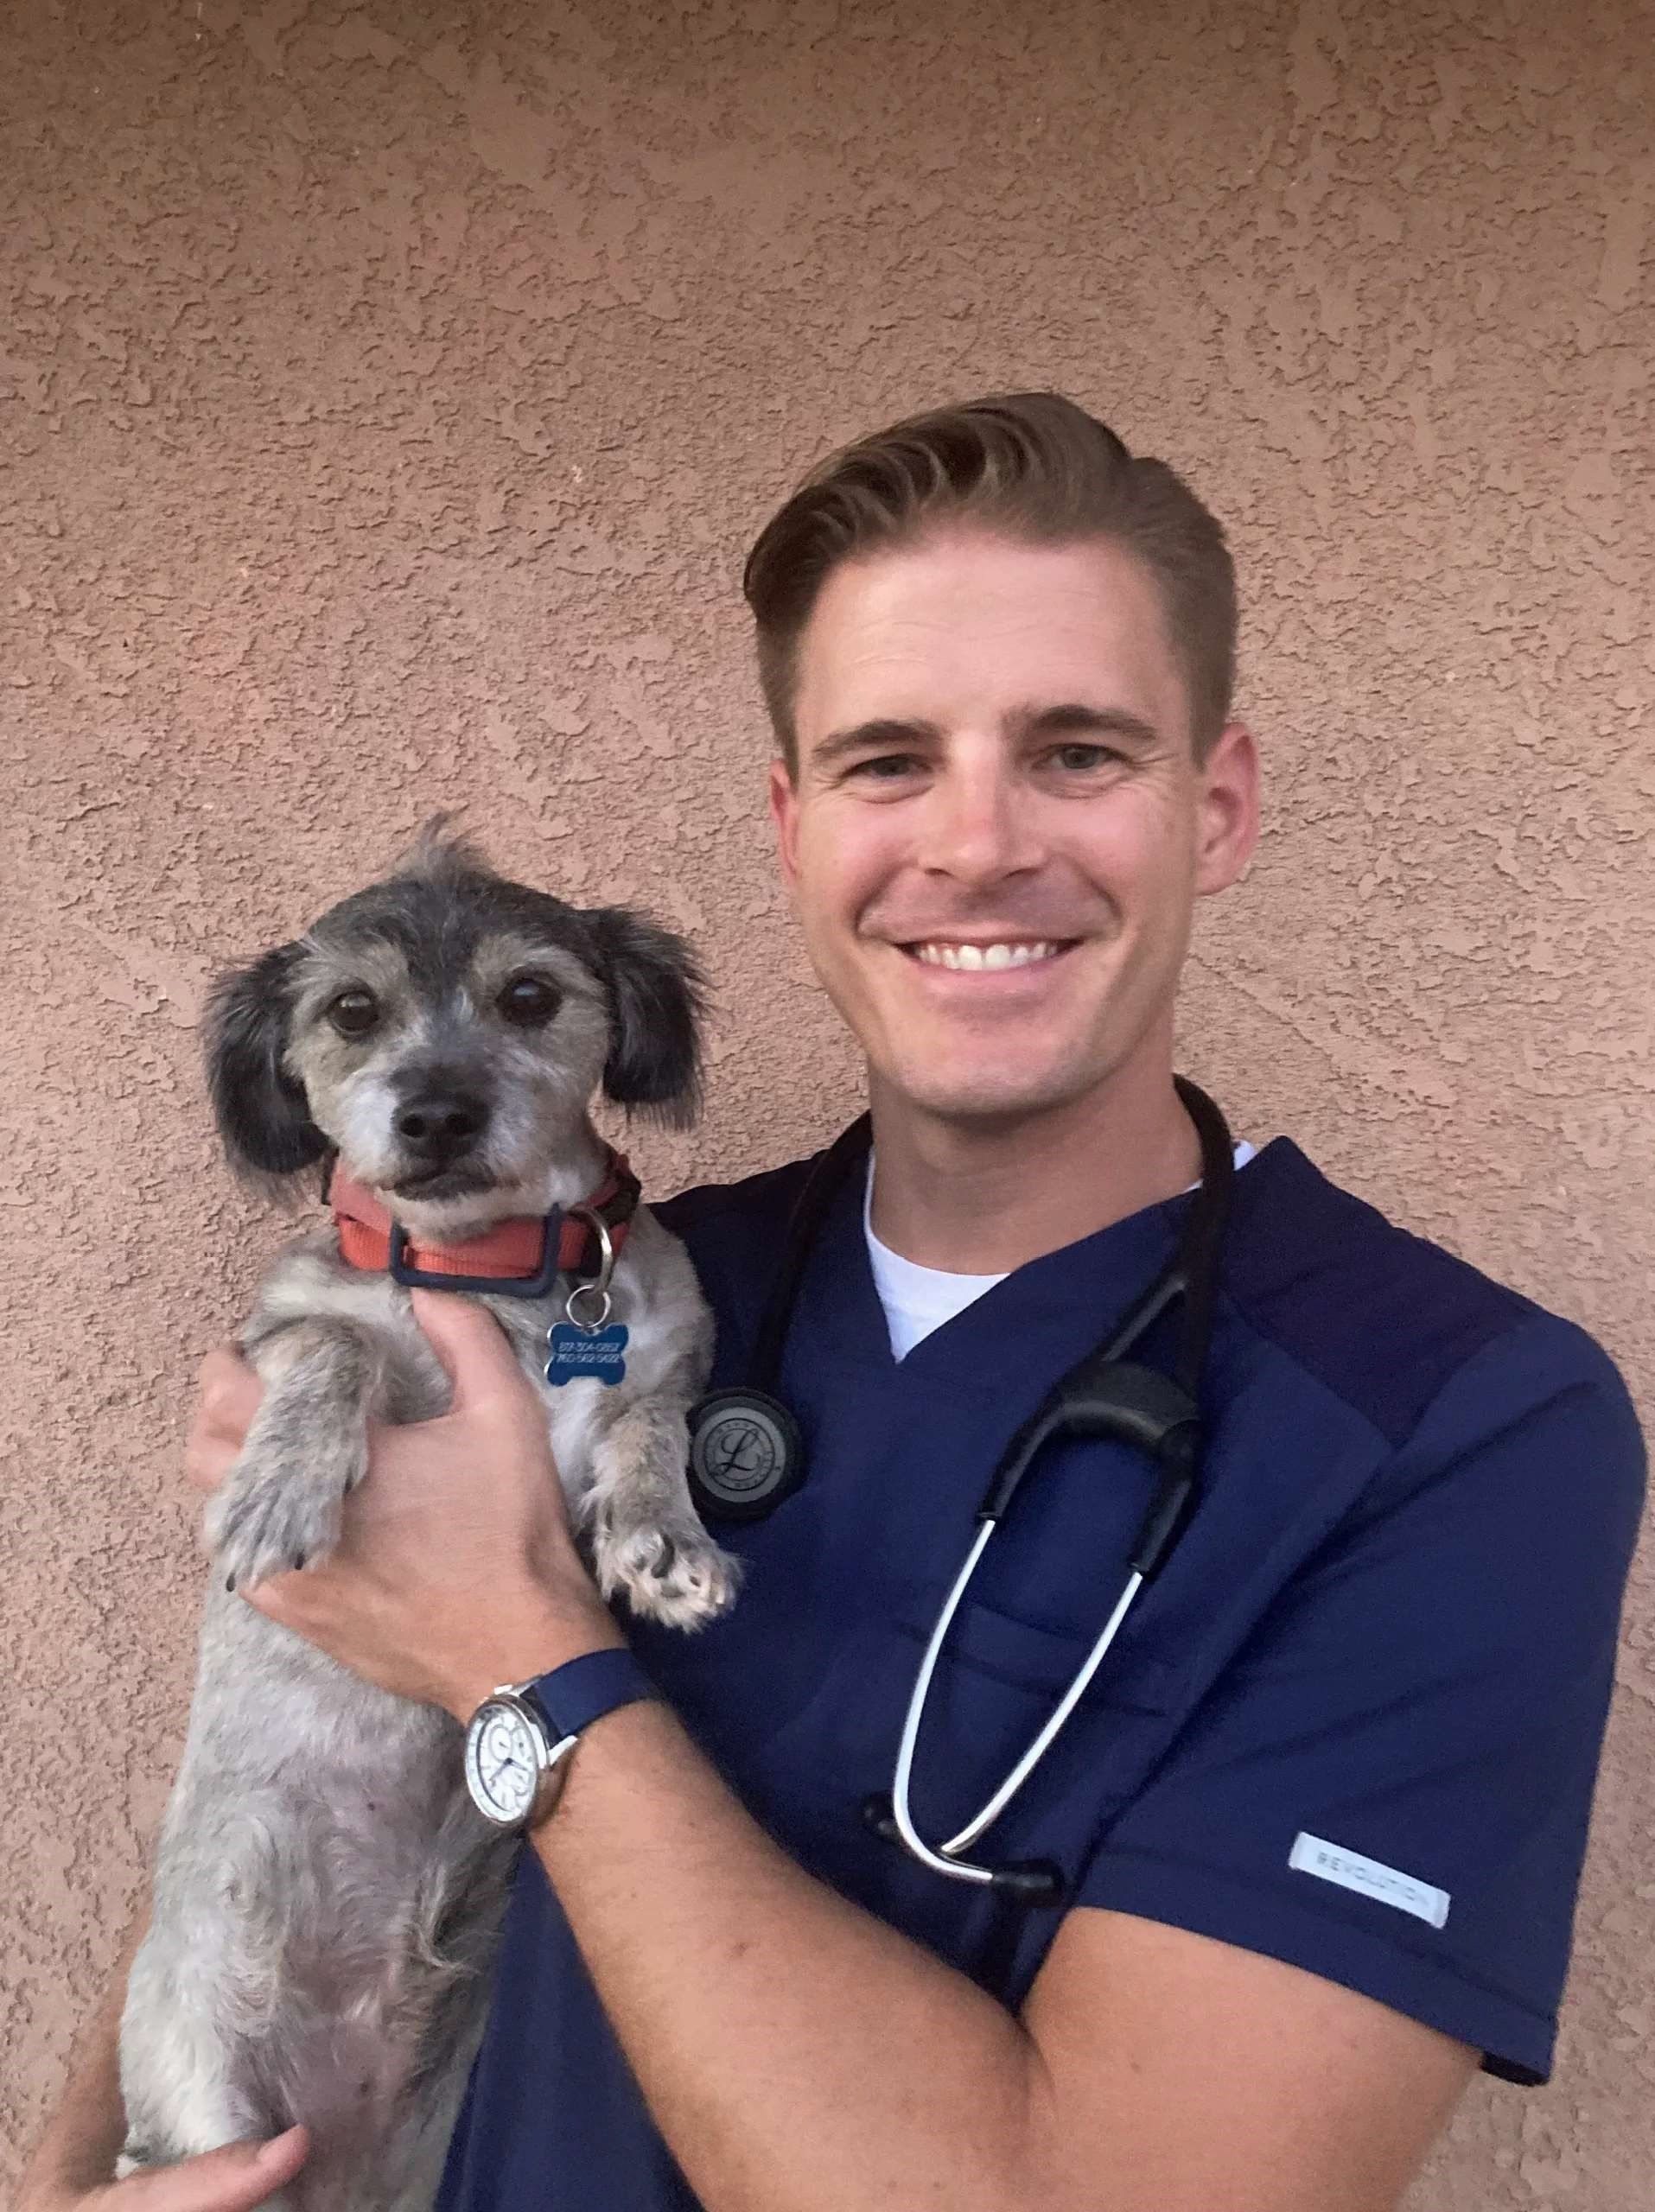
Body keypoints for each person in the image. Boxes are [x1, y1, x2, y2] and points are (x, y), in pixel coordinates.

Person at [22, 394, 1645, 2212]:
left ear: (1218, 806)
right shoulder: (623, 1284)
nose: (976, 844)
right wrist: (76, 2175)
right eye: (889, 762)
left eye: (1077, 752)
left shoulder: (1450, 1424)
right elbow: (266, 1775)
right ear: (793, 829)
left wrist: (513, 1648)